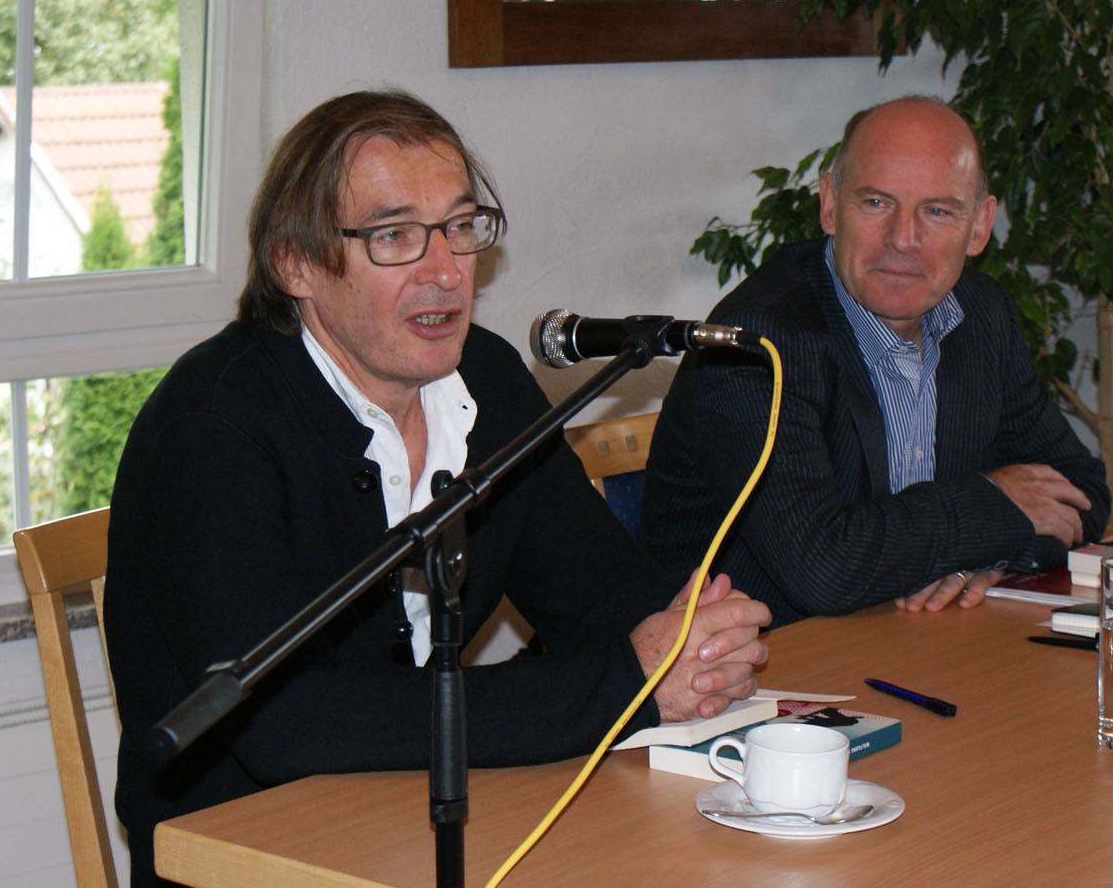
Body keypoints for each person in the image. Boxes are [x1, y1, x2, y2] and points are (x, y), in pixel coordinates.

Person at [103, 90, 771, 887]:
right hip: (251, 855)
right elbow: (287, 722)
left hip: (433, 822)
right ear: (296, 264)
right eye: (394, 236)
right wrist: (630, 681)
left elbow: (596, 592)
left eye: (459, 227)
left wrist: (694, 639)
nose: (445, 271)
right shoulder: (211, 432)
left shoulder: (486, 378)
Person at [640, 96, 1110, 630]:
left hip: (911, 637)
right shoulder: (757, 342)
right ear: (829, 205)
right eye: (876, 203)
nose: (902, 239)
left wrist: (994, 553)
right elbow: (825, 571)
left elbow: (1081, 492)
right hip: (760, 661)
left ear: (980, 227)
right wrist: (995, 505)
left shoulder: (981, 314)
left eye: (937, 211)